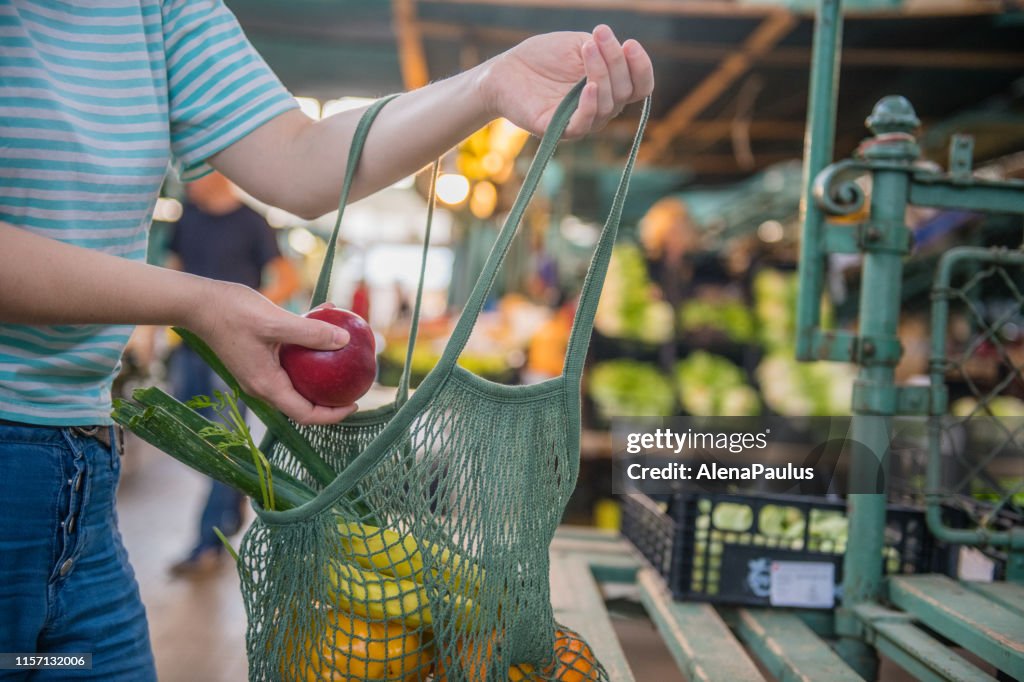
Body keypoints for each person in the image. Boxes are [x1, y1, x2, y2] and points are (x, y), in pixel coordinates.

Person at [0, 1, 654, 678]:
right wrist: (195, 303)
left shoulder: (154, 8)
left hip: (83, 469)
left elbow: (299, 158)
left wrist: (490, 83)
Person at [165, 171, 300, 577]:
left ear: (218, 172)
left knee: (216, 447)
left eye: (194, 169)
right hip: (186, 346)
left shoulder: (252, 221)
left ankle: (207, 542)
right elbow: (173, 271)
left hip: (229, 354)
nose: (186, 178)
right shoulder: (186, 217)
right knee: (184, 436)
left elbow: (290, 277)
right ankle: (236, 485)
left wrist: (246, 310)